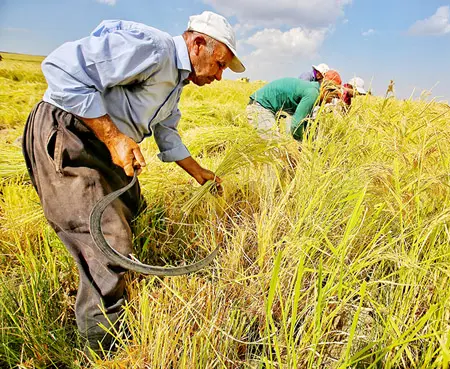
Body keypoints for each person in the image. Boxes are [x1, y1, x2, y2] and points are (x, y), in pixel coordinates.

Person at [22, 11, 245, 356]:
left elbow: (165, 130)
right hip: (71, 132)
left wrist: (198, 171)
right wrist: (114, 139)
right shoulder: (154, 49)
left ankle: (119, 286)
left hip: (100, 142)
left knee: (132, 209)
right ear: (198, 43)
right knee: (107, 238)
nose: (219, 76)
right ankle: (106, 350)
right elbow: (61, 67)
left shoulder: (175, 82)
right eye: (218, 65)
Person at [246, 72, 342, 141]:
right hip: (260, 106)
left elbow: (303, 121)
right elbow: (296, 125)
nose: (331, 101)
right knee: (275, 148)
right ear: (328, 90)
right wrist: (301, 144)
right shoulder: (313, 93)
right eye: (333, 97)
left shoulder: (313, 90)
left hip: (265, 107)